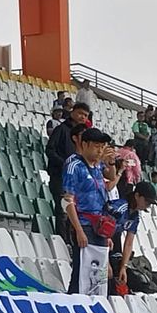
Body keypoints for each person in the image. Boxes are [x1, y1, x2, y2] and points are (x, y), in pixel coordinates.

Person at [63, 128, 117, 294]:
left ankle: (94, 305)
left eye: (102, 147)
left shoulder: (98, 166)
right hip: (83, 223)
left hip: (100, 225)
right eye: (96, 146)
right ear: (84, 144)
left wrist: (112, 162)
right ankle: (74, 302)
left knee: (98, 274)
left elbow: (111, 177)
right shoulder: (74, 165)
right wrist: (78, 230)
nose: (99, 150)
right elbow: (67, 201)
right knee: (82, 271)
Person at [45, 102, 91, 239]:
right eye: (81, 113)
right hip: (59, 176)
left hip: (74, 180)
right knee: (62, 210)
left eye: (86, 115)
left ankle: (70, 241)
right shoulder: (61, 129)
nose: (83, 117)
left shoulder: (83, 135)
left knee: (73, 212)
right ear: (73, 112)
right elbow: (49, 150)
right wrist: (64, 163)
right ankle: (62, 240)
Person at [108, 181, 157, 285]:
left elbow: (129, 243)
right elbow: (102, 232)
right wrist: (105, 263)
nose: (147, 206)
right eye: (146, 201)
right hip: (100, 239)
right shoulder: (119, 208)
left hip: (114, 239)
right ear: (137, 196)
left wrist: (123, 267)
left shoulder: (135, 217)